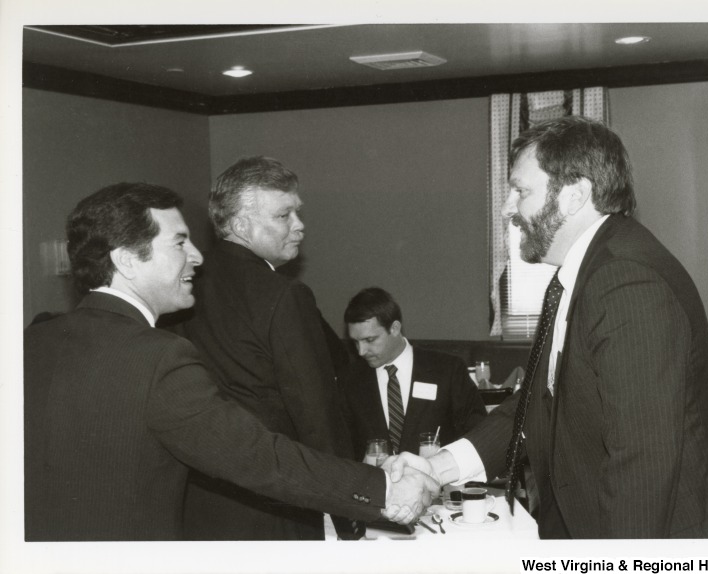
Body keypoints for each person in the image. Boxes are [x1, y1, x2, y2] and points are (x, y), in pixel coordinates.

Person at [385, 116, 708, 538]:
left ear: (575, 195)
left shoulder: (626, 281)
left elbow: (643, 464)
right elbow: (538, 404)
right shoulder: (585, 271)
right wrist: (436, 469)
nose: (508, 208)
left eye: (521, 190)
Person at [24, 183, 435, 541]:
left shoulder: (32, 341)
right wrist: (381, 489)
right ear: (127, 260)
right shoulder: (158, 356)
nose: (198, 257)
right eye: (180, 242)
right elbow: (259, 456)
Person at [177, 157, 361, 540]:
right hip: (276, 503)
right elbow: (316, 415)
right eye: (284, 215)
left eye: (297, 212)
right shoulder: (284, 294)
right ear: (241, 224)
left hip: (198, 501)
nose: (300, 225)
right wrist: (352, 513)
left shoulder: (183, 287)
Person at [341, 287, 486, 460]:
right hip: (378, 484)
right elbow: (343, 445)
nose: (361, 351)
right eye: (356, 342)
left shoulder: (447, 370)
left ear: (394, 328)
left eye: (370, 340)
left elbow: (478, 432)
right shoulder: (350, 380)